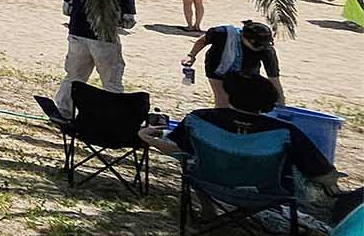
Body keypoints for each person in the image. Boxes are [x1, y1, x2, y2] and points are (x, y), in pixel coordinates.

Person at [139, 75, 340, 201]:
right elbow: (322, 172)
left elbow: (179, 150)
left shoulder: (200, 119)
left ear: (230, 94)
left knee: (193, 161)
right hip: (268, 193)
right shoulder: (284, 132)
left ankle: (208, 211)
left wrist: (147, 136)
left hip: (209, 183)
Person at [55, 0, 137, 116]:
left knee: (74, 76)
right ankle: (112, 116)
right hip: (105, 41)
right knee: (111, 82)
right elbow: (128, 22)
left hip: (77, 35)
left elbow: (66, 10)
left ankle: (63, 111)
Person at [182, 20, 284, 109]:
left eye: (263, 46)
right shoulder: (223, 33)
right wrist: (191, 56)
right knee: (223, 102)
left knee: (245, 102)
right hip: (217, 68)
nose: (259, 48)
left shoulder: (267, 51)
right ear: (242, 36)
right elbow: (203, 40)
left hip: (246, 73)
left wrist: (281, 107)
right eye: (256, 45)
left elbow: (274, 80)